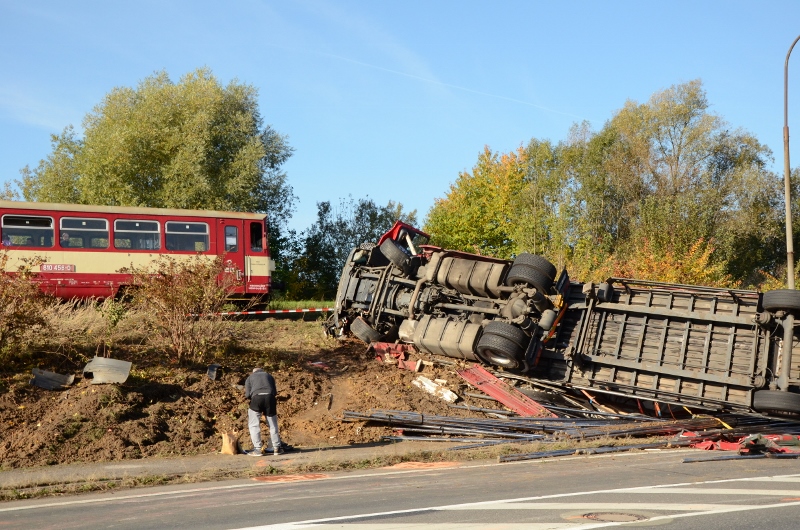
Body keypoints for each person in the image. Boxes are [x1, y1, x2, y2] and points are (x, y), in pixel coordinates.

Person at [244, 367, 284, 456]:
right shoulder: (269, 376)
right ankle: (277, 448)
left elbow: (247, 395)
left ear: (253, 372)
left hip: (256, 398)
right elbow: (274, 391)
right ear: (262, 371)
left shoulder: (250, 377)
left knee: (253, 424)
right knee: (273, 424)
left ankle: (258, 449)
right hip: (270, 398)